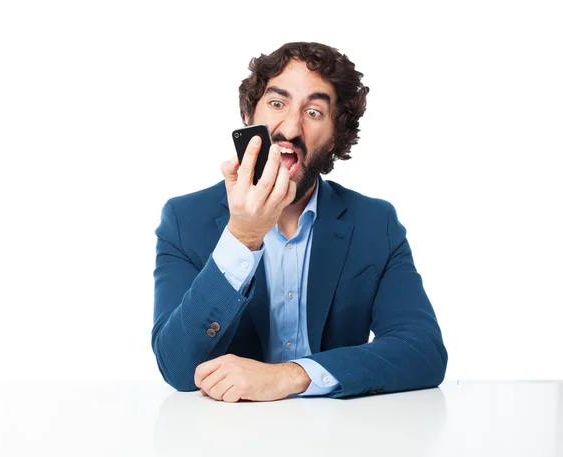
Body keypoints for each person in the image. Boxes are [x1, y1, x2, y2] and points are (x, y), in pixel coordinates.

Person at [152, 42, 447, 402]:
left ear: (336, 135)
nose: (290, 129)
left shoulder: (375, 223)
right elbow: (178, 368)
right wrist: (243, 236)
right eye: (277, 104)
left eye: (314, 112)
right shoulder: (184, 220)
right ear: (249, 114)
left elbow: (423, 352)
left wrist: (291, 376)